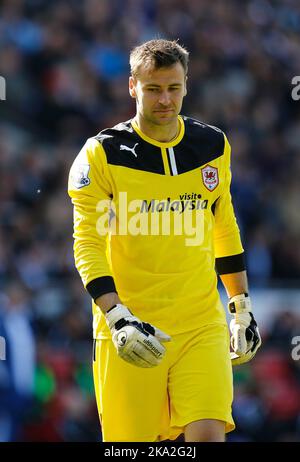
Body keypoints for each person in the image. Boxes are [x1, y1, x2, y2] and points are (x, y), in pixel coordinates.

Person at [68, 39, 261, 442]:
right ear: (132, 87)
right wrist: (116, 315)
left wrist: (240, 307)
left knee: (208, 434)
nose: (165, 99)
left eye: (174, 88)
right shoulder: (102, 155)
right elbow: (87, 244)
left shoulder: (212, 145)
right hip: (133, 329)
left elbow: (223, 225)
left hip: (200, 324)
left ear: (186, 84)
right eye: (153, 88)